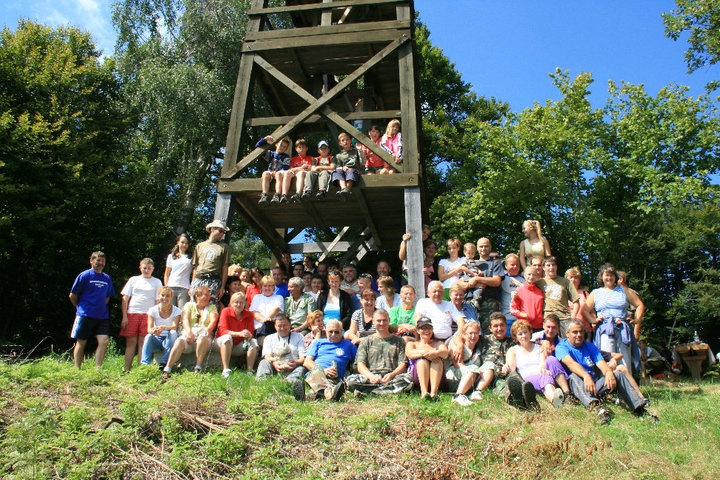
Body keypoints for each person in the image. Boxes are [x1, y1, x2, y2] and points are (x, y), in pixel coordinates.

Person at [556, 320, 655, 424]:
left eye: (581, 331)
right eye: (575, 332)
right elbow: (571, 364)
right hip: (576, 386)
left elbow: (601, 363)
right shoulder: (561, 347)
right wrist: (585, 376)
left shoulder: (590, 346)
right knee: (573, 377)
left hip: (593, 385)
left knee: (618, 375)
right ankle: (597, 408)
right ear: (567, 333)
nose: (579, 335)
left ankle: (639, 409)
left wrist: (608, 373)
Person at [583, 263, 644, 375]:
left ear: (615, 277)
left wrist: (637, 319)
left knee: (625, 360)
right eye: (606, 275)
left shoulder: (623, 290)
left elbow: (639, 305)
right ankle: (609, 383)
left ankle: (627, 383)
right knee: (608, 360)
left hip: (623, 328)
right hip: (605, 328)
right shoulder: (596, 293)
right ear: (601, 277)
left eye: (611, 275)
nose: (609, 278)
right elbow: (585, 310)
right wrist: (593, 321)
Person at [345, 309, 413, 396]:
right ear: (373, 321)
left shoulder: (399, 341)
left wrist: (392, 375)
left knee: (407, 379)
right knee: (350, 380)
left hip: (392, 377)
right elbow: (360, 364)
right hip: (371, 377)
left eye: (384, 320)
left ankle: (370, 392)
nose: (382, 323)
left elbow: (403, 364)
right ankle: (385, 391)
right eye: (379, 321)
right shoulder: (366, 341)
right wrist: (371, 376)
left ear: (389, 320)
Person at [505, 320, 567, 409]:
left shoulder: (539, 347)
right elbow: (512, 370)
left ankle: (555, 399)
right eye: (520, 334)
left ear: (530, 333)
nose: (523, 336)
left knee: (545, 377)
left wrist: (543, 370)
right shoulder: (513, 350)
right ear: (516, 337)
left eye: (525, 332)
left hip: (541, 374)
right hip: (527, 378)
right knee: (543, 378)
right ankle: (555, 399)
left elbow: (542, 363)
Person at [69, 251, 115, 369]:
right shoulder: (84, 275)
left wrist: (100, 305)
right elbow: (73, 295)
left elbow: (108, 296)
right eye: (98, 260)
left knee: (104, 341)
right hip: (85, 314)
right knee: (82, 341)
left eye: (103, 261)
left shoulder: (107, 278)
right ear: (91, 261)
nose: (101, 263)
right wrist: (79, 307)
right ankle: (77, 369)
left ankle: (97, 370)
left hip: (102, 316)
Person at [294, 319, 358, 402]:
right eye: (330, 332)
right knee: (318, 373)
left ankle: (306, 397)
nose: (333, 334)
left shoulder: (349, 345)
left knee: (325, 385)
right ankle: (331, 393)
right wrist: (323, 371)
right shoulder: (318, 342)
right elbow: (307, 362)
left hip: (334, 377)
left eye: (337, 332)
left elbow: (358, 362)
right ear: (326, 331)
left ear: (341, 332)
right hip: (315, 374)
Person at [162, 285, 219, 376]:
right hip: (190, 333)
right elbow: (185, 319)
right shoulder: (189, 305)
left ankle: (198, 367)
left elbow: (213, 321)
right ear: (197, 296)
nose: (208, 297)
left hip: (204, 334)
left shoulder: (212, 307)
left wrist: (208, 330)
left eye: (208, 295)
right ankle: (167, 369)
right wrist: (189, 332)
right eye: (205, 295)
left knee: (203, 337)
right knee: (179, 341)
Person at [120, 258, 163, 372]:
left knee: (143, 342)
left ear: (153, 269)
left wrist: (155, 319)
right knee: (131, 342)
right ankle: (126, 369)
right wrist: (124, 317)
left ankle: (140, 370)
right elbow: (125, 298)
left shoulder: (157, 282)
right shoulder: (133, 280)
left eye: (149, 268)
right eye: (144, 268)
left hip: (148, 315)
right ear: (140, 267)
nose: (146, 270)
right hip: (132, 313)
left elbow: (158, 301)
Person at [214, 291, 258, 378]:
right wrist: (239, 334)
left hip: (239, 345)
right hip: (222, 343)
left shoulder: (249, 314)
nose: (238, 305)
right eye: (236, 302)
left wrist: (249, 335)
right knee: (227, 338)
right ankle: (225, 369)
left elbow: (251, 332)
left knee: (253, 342)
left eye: (241, 302)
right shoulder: (225, 311)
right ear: (231, 303)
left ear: (245, 304)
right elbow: (223, 331)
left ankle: (249, 370)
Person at [462, 237, 503, 329]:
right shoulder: (470, 262)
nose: (483, 248)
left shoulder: (495, 263)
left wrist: (477, 279)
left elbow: (496, 281)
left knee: (489, 332)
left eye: (486, 246)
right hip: (470, 302)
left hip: (489, 303)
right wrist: (471, 284)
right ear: (477, 248)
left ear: (490, 247)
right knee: (471, 331)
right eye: (481, 246)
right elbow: (460, 284)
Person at [405, 317, 449, 400]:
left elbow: (445, 353)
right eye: (423, 328)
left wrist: (436, 353)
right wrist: (425, 353)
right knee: (422, 361)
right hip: (417, 379)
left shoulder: (438, 343)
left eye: (429, 328)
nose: (427, 331)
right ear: (418, 330)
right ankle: (424, 392)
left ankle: (433, 393)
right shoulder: (412, 344)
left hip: (437, 379)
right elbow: (409, 353)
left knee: (437, 361)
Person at [256, 313, 306, 382]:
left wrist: (296, 363)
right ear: (275, 326)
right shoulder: (269, 338)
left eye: (285, 325)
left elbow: (303, 357)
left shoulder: (299, 336)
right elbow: (267, 356)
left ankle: (290, 381)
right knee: (264, 362)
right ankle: (262, 381)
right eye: (279, 326)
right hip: (275, 365)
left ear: (290, 324)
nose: (282, 328)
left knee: (301, 368)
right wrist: (274, 363)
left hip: (293, 365)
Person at [190, 220, 231, 305]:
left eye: (223, 232)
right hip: (198, 278)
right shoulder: (200, 246)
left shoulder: (224, 247)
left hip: (214, 280)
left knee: (211, 306)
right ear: (212, 229)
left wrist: (222, 287)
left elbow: (225, 267)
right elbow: (196, 267)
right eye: (220, 231)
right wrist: (192, 284)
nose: (222, 234)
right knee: (194, 305)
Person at [536, 256, 579, 335]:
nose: (551, 267)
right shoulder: (539, 282)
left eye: (553, 265)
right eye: (548, 265)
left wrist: (572, 318)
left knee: (566, 342)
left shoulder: (565, 282)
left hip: (564, 318)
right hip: (548, 318)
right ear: (543, 268)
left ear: (556, 266)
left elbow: (576, 302)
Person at [445, 322, 484, 406]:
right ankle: (458, 396)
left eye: (476, 333)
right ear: (464, 334)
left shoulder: (479, 348)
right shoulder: (457, 345)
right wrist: (473, 371)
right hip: (454, 376)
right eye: (470, 333)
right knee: (473, 368)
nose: (473, 336)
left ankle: (476, 392)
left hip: (471, 377)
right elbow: (458, 364)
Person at [140, 286, 181, 367]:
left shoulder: (176, 310)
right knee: (148, 336)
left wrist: (164, 328)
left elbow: (175, 326)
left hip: (169, 338)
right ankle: (145, 364)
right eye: (162, 295)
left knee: (173, 333)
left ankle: (164, 362)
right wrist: (154, 330)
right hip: (157, 339)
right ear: (159, 296)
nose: (164, 298)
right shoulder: (152, 310)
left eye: (167, 296)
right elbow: (149, 329)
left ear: (171, 297)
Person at [477, 312, 514, 399]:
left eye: (502, 325)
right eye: (495, 326)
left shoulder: (513, 342)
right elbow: (466, 336)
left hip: (509, 374)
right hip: (491, 377)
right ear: (490, 328)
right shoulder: (484, 340)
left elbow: (529, 340)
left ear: (506, 326)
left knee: (515, 380)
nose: (499, 328)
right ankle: (511, 396)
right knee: (502, 385)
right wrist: (459, 342)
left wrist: (544, 342)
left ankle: (521, 392)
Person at [256, 135, 291, 204]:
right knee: (265, 173)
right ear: (276, 144)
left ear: (286, 149)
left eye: (284, 147)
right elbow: (258, 147)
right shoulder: (270, 154)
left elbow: (285, 167)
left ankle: (277, 194)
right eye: (281, 145)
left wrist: (276, 172)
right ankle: (264, 195)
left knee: (278, 174)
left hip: (279, 173)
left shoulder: (286, 157)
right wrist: (265, 139)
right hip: (270, 172)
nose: (282, 147)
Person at [249, 275, 284, 342]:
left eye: (270, 286)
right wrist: (264, 320)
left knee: (266, 325)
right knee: (263, 327)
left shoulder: (279, 297)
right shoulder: (257, 297)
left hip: (272, 325)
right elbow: (254, 312)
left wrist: (268, 319)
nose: (267, 288)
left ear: (273, 287)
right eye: (265, 286)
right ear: (261, 287)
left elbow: (276, 309)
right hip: (258, 326)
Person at [509, 266, 544, 331]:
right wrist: (522, 314)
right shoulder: (519, 291)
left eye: (534, 275)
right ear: (524, 275)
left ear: (537, 277)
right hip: (525, 326)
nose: (531, 277)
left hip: (539, 326)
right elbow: (512, 309)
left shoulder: (540, 291)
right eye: (529, 274)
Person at [164, 233, 192, 308]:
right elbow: (167, 273)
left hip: (184, 288)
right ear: (178, 242)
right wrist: (166, 287)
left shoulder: (191, 257)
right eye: (182, 242)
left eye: (186, 243)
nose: (184, 245)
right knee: (170, 310)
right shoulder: (171, 256)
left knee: (182, 310)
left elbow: (195, 272)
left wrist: (191, 287)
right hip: (171, 286)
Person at [499, 253, 525, 336]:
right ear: (506, 266)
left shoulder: (525, 279)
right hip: (507, 318)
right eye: (512, 265)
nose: (515, 267)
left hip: (521, 318)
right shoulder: (501, 279)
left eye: (517, 264)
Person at [332, 132, 362, 199]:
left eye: (347, 139)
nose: (345, 141)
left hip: (354, 171)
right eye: (343, 140)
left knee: (350, 170)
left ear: (350, 141)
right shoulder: (339, 155)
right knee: (337, 171)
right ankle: (344, 188)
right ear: (340, 143)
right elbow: (338, 166)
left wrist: (360, 150)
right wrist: (342, 167)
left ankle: (347, 189)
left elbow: (363, 161)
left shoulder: (356, 151)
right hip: (344, 172)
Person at [284, 138, 313, 203]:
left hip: (304, 175)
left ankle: (298, 194)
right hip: (294, 175)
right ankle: (284, 195)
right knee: (287, 173)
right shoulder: (293, 159)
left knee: (301, 173)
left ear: (307, 148)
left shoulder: (310, 158)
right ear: (296, 149)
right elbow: (291, 169)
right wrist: (302, 167)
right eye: (299, 147)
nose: (301, 149)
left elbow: (311, 168)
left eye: (303, 147)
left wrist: (298, 169)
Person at [565, 267, 592, 335]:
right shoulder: (563, 294)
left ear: (579, 280)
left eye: (576, 278)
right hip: (568, 329)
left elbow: (592, 311)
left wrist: (594, 323)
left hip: (585, 329)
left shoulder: (585, 294)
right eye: (571, 277)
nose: (573, 280)